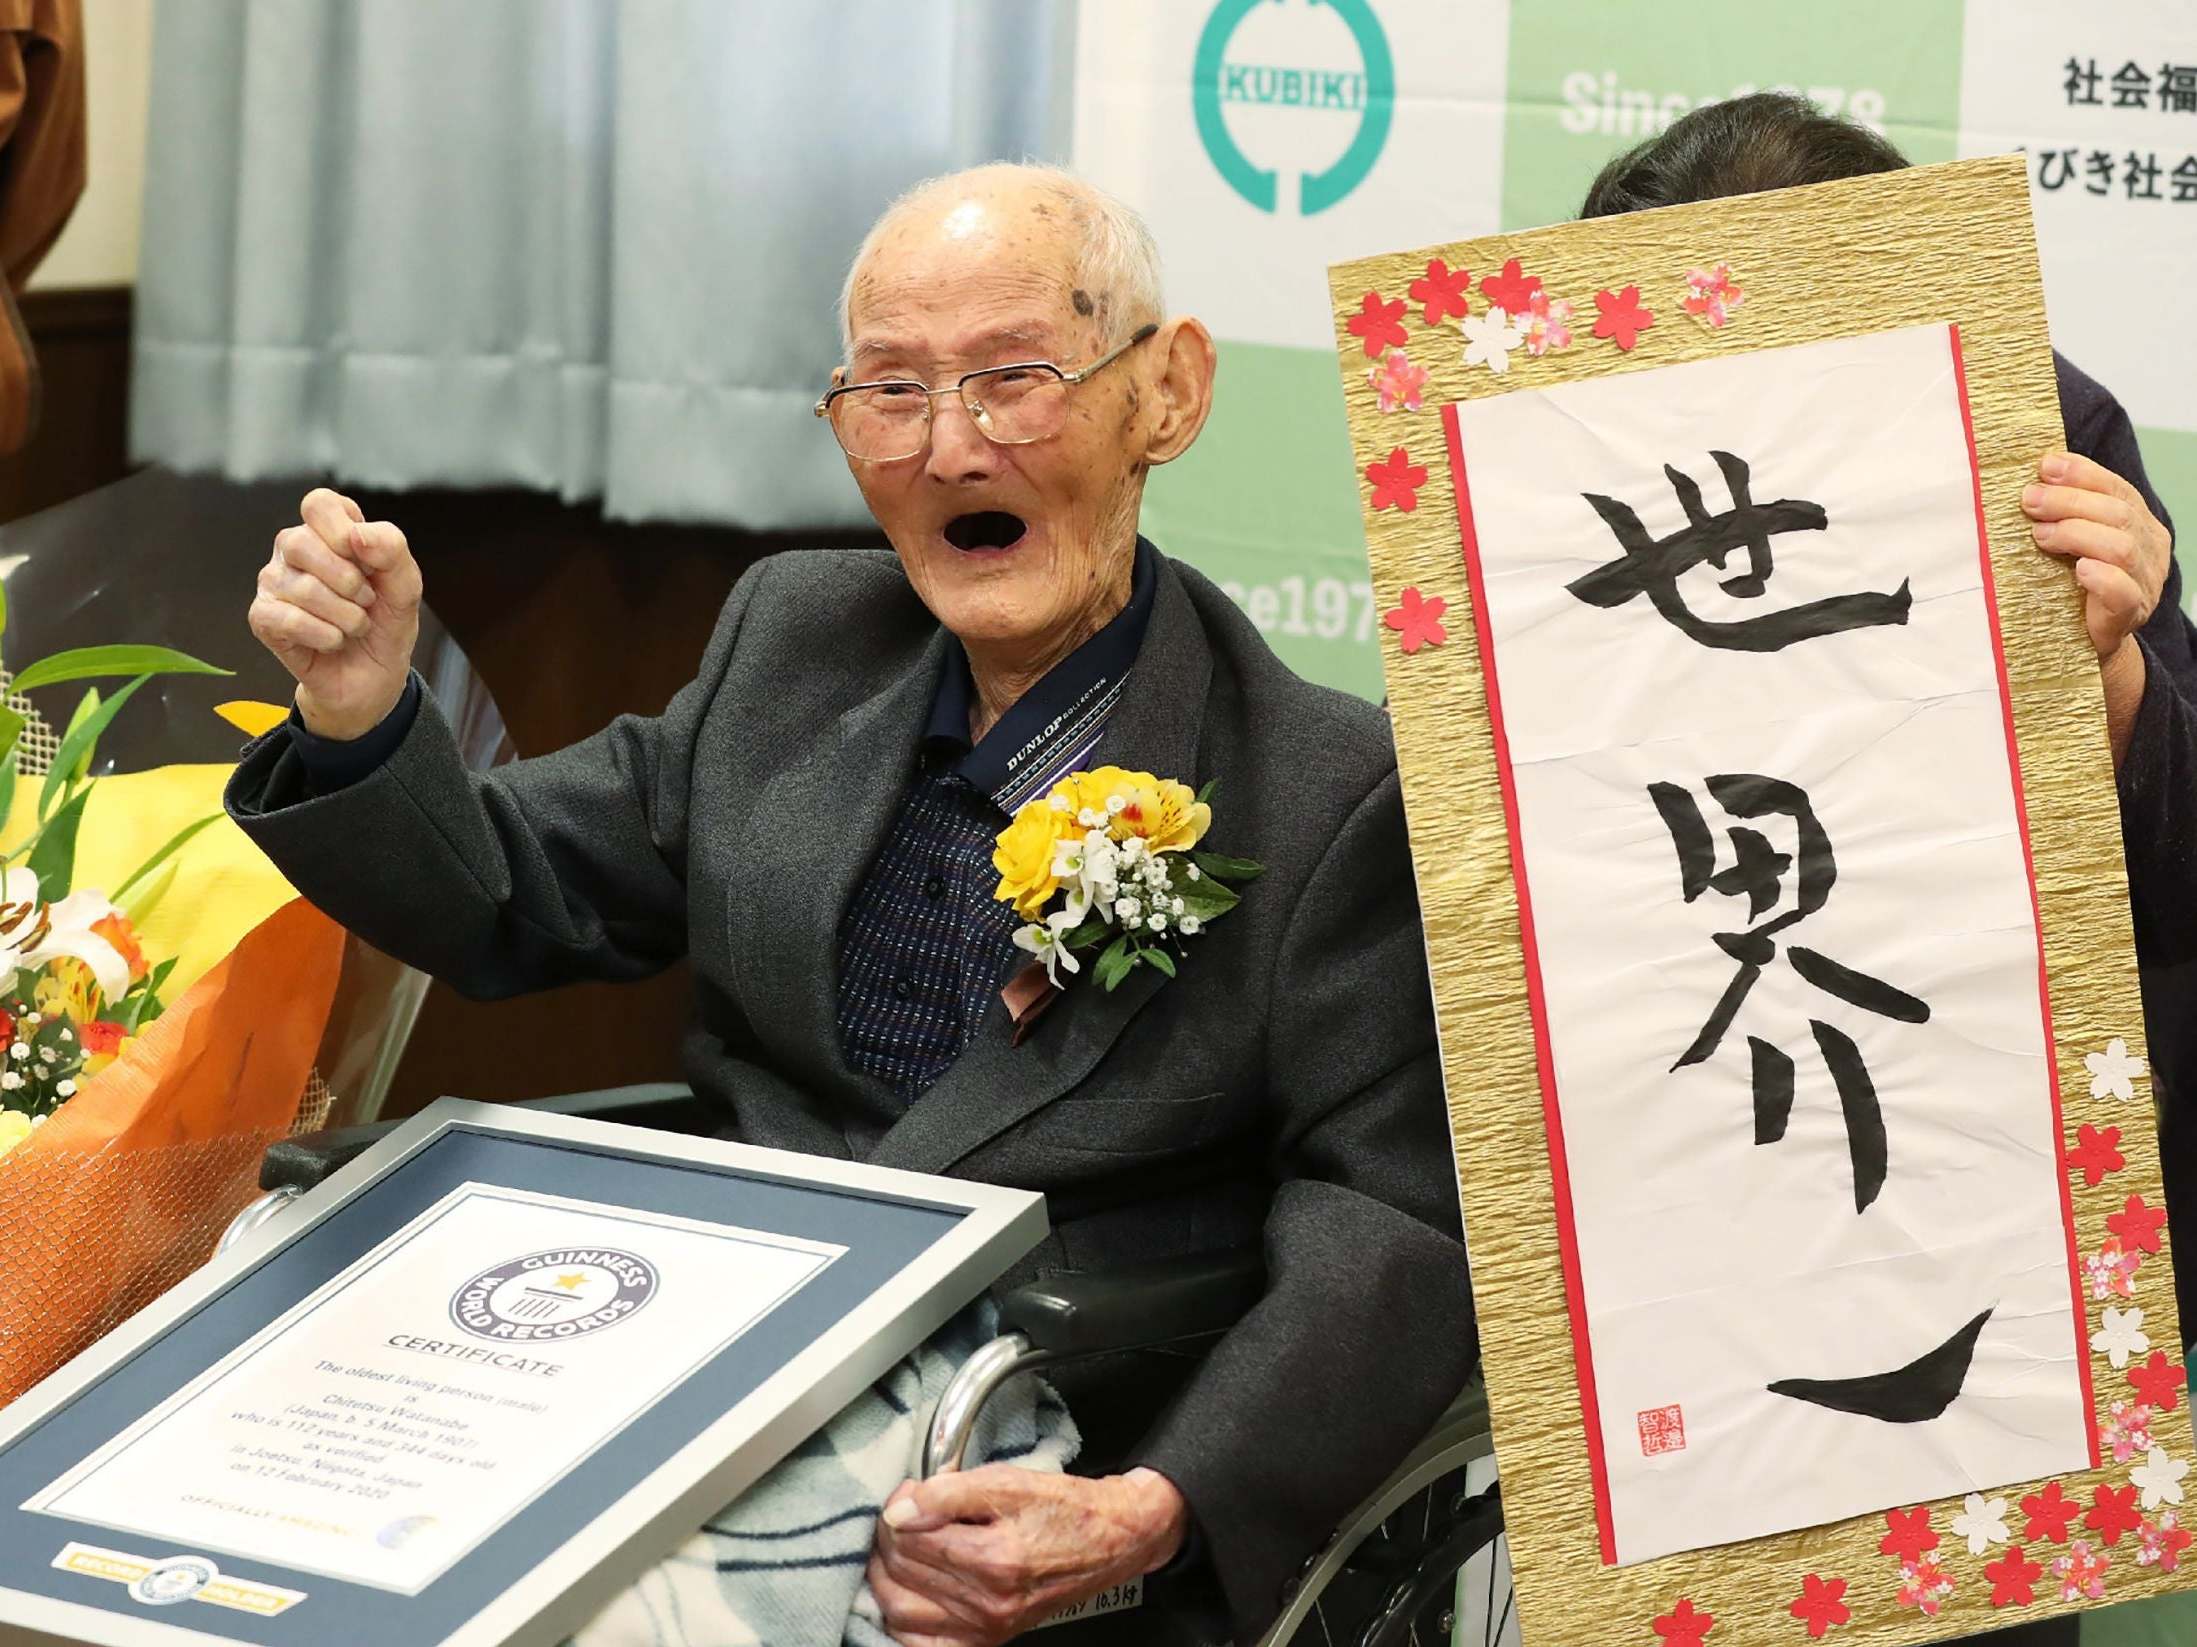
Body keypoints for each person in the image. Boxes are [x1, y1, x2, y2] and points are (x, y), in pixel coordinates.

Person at [226, 163, 1476, 1646]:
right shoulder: (794, 641)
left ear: (1167, 396)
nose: (949, 447)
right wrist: (369, 715)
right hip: (689, 1346)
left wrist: (1160, 1508)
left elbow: (1397, 1223)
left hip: (1021, 1400)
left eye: (1012, 380)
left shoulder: (1327, 790)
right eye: (890, 391)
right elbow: (519, 889)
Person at [1581, 92, 2197, 1647]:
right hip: (1651, 1174)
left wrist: (2112, 674)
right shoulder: (1552, 450)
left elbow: (2181, 871)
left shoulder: (2031, 430)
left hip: (1955, 1189)